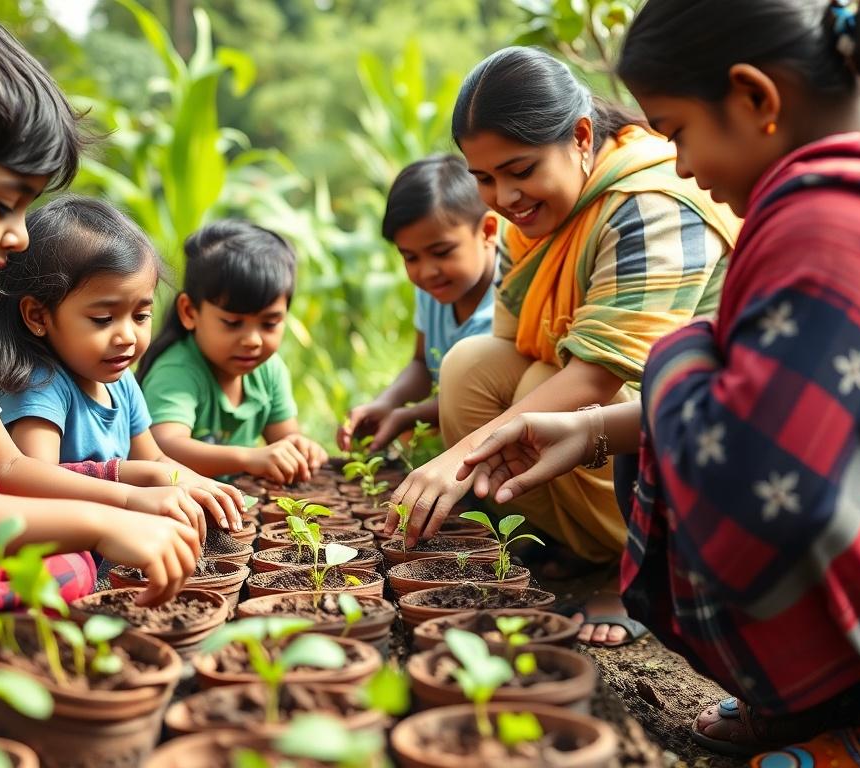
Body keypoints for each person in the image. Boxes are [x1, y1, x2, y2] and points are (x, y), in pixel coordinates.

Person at [459, 0, 860, 762]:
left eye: (676, 133)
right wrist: (592, 430)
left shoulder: (827, 225)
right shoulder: (851, 183)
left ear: (755, 98)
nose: (685, 166)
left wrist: (676, 364)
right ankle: (820, 693)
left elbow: (763, 465)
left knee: (681, 369)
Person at [0, 0, 202, 668]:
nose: (20, 235)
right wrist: (103, 519)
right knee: (0, 634)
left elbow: (6, 470)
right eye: (3, 204)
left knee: (71, 571)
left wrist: (125, 501)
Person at [385, 45, 740, 646]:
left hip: (700, 434)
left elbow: (598, 378)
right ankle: (581, 552)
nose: (505, 196)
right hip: (617, 411)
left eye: (521, 171)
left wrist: (456, 458)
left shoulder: (647, 203)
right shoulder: (542, 218)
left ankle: (639, 569)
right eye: (486, 179)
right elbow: (507, 341)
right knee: (470, 368)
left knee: (538, 393)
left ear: (580, 137)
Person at [0, 196, 246, 541]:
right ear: (38, 316)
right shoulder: (40, 387)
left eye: (141, 316)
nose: (127, 336)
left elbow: (157, 461)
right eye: (103, 319)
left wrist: (199, 485)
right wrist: (129, 478)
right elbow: (34, 480)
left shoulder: (122, 383)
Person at [138, 221, 327, 484]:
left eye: (270, 323)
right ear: (190, 312)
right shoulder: (178, 370)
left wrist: (301, 448)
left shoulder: (268, 370)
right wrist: (248, 458)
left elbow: (286, 438)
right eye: (232, 323)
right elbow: (164, 445)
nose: (252, 340)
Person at [336, 154, 497, 452]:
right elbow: (422, 364)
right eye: (410, 257)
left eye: (442, 251)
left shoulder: (507, 297)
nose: (426, 271)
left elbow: (488, 396)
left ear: (487, 231)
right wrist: (386, 402)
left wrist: (407, 417)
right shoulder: (436, 289)